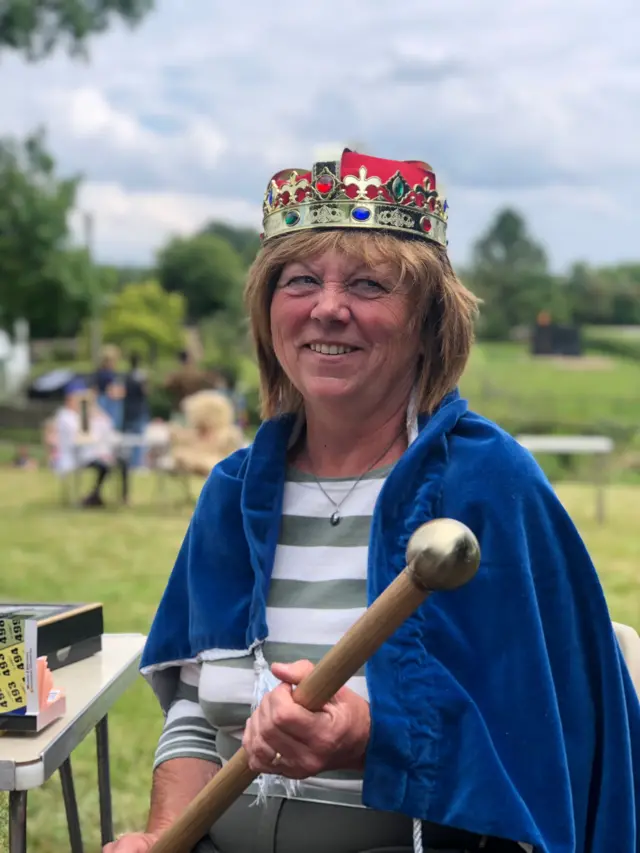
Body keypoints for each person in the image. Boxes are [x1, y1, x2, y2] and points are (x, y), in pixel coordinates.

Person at [107, 151, 639, 853]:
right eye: (300, 280)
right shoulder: (234, 494)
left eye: (368, 283)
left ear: (427, 321)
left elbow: (542, 731)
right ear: (270, 314)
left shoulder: (489, 484)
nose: (329, 307)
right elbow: (196, 712)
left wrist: (371, 737)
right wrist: (159, 837)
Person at [54, 379, 123, 507]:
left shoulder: (83, 414)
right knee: (104, 466)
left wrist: (94, 407)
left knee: (114, 462)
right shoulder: (66, 416)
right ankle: (93, 496)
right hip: (75, 456)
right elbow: (80, 438)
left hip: (88, 453)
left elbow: (107, 424)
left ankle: (95, 495)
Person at [120, 352, 150, 475]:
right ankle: (137, 464)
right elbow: (145, 392)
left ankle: (129, 463)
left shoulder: (126, 376)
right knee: (139, 439)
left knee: (128, 439)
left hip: (128, 410)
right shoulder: (141, 376)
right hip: (139, 409)